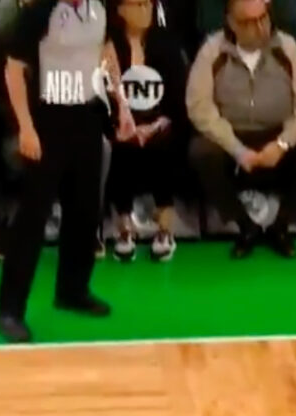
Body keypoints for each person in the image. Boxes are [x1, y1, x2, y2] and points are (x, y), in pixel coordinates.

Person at [0, 0, 137, 345]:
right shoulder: (39, 10)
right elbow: (13, 70)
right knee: (33, 216)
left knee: (85, 209)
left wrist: (122, 104)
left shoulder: (99, 7)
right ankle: (9, 310)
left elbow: (107, 51)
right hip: (48, 117)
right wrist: (26, 128)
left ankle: (72, 291)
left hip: (87, 114)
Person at [187, 0, 296, 260]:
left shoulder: (286, 47)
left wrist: (283, 143)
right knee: (201, 151)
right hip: (232, 137)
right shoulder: (212, 50)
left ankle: (282, 227)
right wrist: (237, 149)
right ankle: (245, 227)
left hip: (278, 136)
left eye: (263, 18)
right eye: (250, 22)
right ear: (232, 23)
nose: (260, 27)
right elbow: (199, 107)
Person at [107, 0, 188, 261]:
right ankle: (124, 228)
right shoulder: (109, 45)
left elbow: (177, 97)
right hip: (121, 124)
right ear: (120, 10)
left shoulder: (166, 43)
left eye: (148, 4)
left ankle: (165, 228)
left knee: (163, 144)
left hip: (160, 122)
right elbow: (102, 93)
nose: (145, 10)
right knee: (120, 148)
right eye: (138, 4)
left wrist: (154, 125)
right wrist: (120, 126)